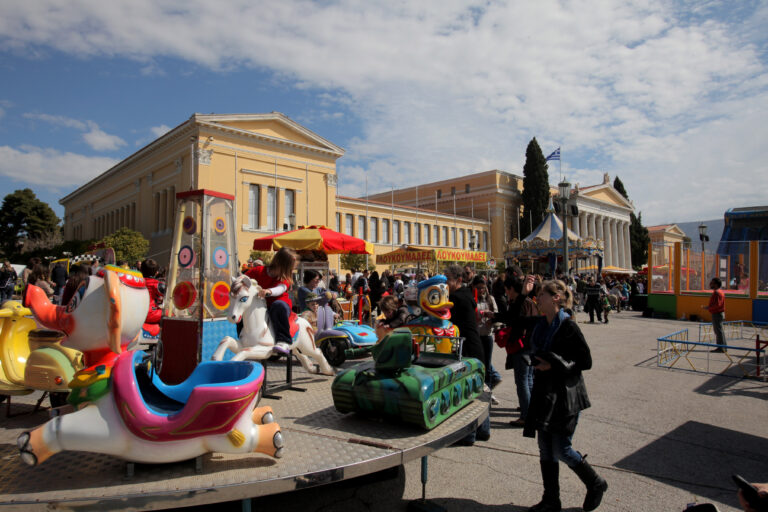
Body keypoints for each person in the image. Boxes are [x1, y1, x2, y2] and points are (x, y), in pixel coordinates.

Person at [523, 279, 607, 512]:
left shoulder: (568, 326)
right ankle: (551, 500)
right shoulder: (541, 325)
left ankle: (595, 483)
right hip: (545, 393)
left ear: (555, 298)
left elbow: (585, 362)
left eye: (541, 295)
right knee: (545, 448)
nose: (537, 299)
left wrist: (553, 366)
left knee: (562, 448)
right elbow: (518, 317)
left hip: (565, 395)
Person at [445, 264, 491, 444]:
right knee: (478, 389)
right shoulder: (466, 294)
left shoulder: (456, 298)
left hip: (467, 347)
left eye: (447, 279)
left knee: (468, 390)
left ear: (458, 280)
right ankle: (483, 430)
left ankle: (469, 435)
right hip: (474, 344)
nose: (445, 283)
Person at [499, 273, 538, 427]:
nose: (505, 292)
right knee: (528, 379)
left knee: (522, 380)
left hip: (522, 345)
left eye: (506, 289)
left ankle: (526, 415)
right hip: (530, 345)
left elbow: (516, 321)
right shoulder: (527, 301)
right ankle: (529, 408)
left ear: (511, 288)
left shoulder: (521, 303)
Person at [245, 247, 298, 355]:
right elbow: (244, 279)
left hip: (279, 304)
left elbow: (280, 289)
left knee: (278, 306)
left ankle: (284, 341)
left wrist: (269, 291)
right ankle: (243, 336)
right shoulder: (258, 271)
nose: (290, 271)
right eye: (289, 268)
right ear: (281, 264)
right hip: (261, 305)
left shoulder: (285, 278)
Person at [472, 276, 502, 391]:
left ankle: (488, 389)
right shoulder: (472, 299)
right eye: (478, 288)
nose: (481, 290)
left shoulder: (490, 299)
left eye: (483, 288)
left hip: (487, 335)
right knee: (477, 364)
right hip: (476, 336)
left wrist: (492, 319)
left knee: (488, 365)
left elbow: (497, 315)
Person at [702, 277, 726, 352]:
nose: (710, 284)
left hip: (717, 313)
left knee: (718, 331)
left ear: (715, 284)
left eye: (712, 283)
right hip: (718, 313)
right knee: (719, 330)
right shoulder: (719, 292)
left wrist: (708, 308)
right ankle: (722, 346)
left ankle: (721, 347)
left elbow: (717, 305)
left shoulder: (717, 293)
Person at [141, 258, 163, 337]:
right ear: (156, 272)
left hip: (138, 313)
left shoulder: (139, 281)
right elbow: (169, 295)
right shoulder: (156, 284)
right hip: (150, 314)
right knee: (169, 313)